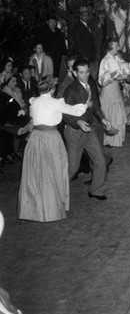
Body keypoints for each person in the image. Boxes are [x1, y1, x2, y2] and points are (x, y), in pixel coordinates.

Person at [18, 78, 86, 222]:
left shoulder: (34, 102)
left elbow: (32, 119)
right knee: (54, 171)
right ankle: (52, 210)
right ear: (52, 89)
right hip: (51, 139)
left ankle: (34, 209)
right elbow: (75, 110)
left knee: (36, 173)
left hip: (35, 139)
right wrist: (86, 104)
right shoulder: (56, 103)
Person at [63, 59, 112, 200]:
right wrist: (77, 122)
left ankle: (96, 190)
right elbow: (64, 113)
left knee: (100, 160)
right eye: (81, 72)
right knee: (72, 168)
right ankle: (55, 190)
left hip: (89, 129)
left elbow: (95, 105)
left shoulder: (90, 83)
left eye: (87, 72)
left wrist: (102, 119)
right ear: (75, 73)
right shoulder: (70, 90)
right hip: (74, 132)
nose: (84, 75)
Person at [98, 40, 130, 147]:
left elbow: (124, 68)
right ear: (109, 48)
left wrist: (129, 68)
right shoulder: (105, 60)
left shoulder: (115, 58)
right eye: (116, 46)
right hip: (109, 88)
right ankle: (108, 140)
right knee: (110, 112)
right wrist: (110, 76)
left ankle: (116, 140)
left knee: (117, 112)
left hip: (115, 88)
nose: (118, 48)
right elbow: (101, 79)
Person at [40, 14, 68, 80]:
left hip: (59, 57)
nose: (53, 24)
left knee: (60, 75)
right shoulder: (44, 33)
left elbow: (63, 44)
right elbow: (42, 46)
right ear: (47, 22)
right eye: (51, 22)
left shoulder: (58, 32)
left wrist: (65, 55)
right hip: (50, 57)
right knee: (51, 75)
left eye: (54, 22)